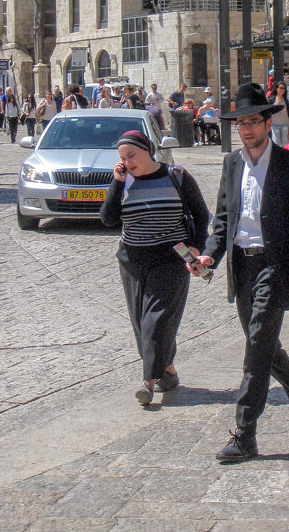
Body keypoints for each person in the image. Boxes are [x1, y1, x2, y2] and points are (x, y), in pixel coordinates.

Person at [195, 83, 289, 463]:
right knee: (264, 346)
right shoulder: (232, 163)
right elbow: (223, 219)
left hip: (276, 266)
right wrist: (208, 256)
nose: (247, 129)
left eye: (253, 121)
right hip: (242, 266)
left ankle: (245, 432)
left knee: (255, 350)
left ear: (267, 123)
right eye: (241, 123)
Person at [100, 130, 209, 405]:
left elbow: (201, 212)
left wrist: (196, 246)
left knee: (155, 321)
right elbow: (108, 219)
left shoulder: (177, 176)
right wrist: (116, 184)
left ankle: (147, 382)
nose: (127, 161)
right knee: (141, 324)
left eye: (132, 155)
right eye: (123, 157)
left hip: (171, 257)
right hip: (133, 260)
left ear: (147, 150)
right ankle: (168, 372)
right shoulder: (123, 181)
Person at [268, 81, 289, 147]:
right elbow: (268, 111)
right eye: (280, 88)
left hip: (285, 124)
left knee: (285, 143)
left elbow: (288, 113)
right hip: (275, 124)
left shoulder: (285, 100)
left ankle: (284, 157)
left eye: (284, 88)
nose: (282, 90)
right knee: (276, 142)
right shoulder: (272, 100)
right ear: (277, 89)